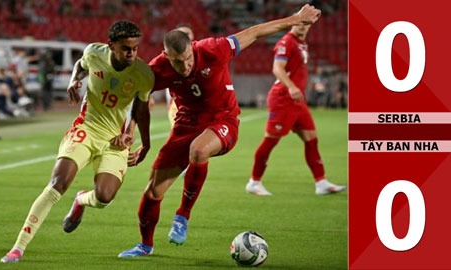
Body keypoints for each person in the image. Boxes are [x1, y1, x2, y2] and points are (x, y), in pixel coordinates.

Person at [118, 4, 321, 258]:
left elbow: (256, 31)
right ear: (166, 55)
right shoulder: (158, 68)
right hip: (185, 125)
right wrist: (132, 133)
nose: (185, 66)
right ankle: (145, 246)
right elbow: (138, 99)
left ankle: (182, 216)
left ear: (193, 47)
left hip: (223, 120)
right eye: (178, 62)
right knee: (153, 191)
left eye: (188, 58)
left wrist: (297, 18)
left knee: (198, 150)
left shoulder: (214, 49)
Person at [0, 20, 154, 263]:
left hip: (114, 139)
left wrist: (139, 140)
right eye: (126, 48)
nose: (132, 53)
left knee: (104, 197)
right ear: (111, 45)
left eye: (135, 48)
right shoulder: (94, 52)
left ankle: (81, 199)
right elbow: (81, 66)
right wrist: (74, 80)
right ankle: (18, 247)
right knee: (57, 183)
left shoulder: (143, 74)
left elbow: (141, 110)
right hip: (87, 127)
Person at [245, 22, 346, 196]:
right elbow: (277, 68)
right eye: (300, 23)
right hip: (283, 98)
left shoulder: (301, 44)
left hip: (298, 101)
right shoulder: (286, 42)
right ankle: (254, 182)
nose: (303, 26)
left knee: (311, 139)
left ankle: (321, 183)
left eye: (306, 24)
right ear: (293, 23)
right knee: (271, 140)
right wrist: (291, 87)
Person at [164, 24, 194, 126]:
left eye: (187, 33)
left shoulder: (202, 53)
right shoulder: (169, 59)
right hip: (178, 105)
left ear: (192, 36)